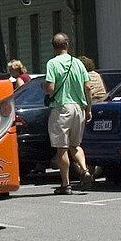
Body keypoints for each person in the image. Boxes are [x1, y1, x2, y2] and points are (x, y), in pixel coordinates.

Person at [43, 33, 94, 195]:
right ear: (67, 45)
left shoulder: (52, 63)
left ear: (53, 47)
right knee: (75, 145)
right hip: (79, 108)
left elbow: (50, 88)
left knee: (62, 148)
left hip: (62, 108)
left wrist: (44, 88)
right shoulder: (78, 63)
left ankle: (66, 185)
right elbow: (88, 88)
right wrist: (89, 109)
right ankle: (85, 170)